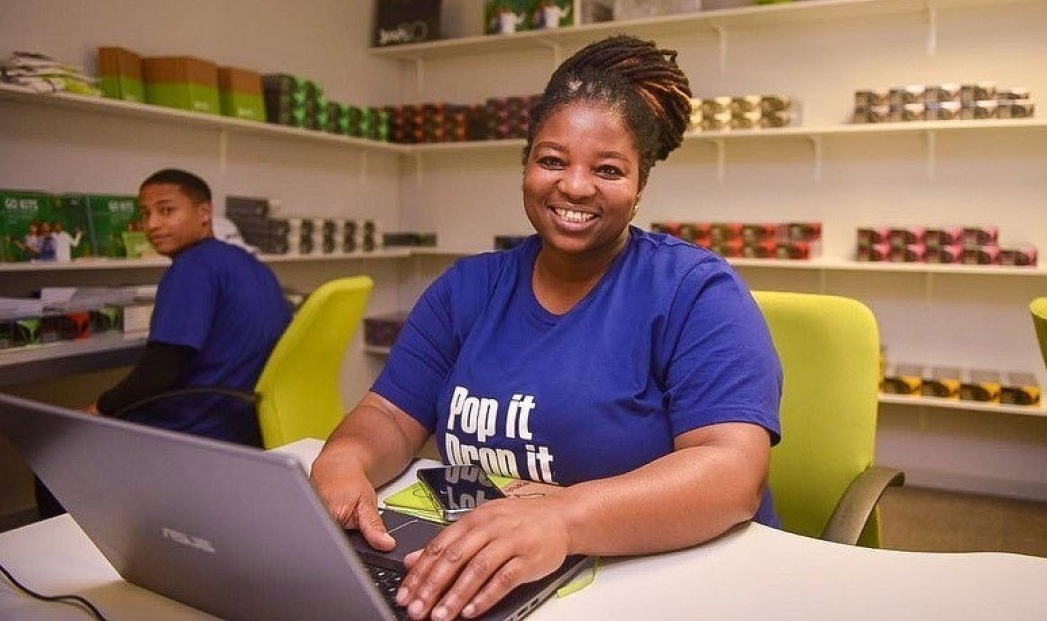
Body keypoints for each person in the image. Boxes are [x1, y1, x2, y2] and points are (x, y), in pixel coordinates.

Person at [311, 35, 784, 621]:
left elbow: (732, 471)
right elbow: (388, 413)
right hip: (499, 574)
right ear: (526, 166)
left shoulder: (695, 291)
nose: (575, 186)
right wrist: (344, 460)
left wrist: (561, 520)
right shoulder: (467, 289)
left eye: (608, 169)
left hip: (667, 581)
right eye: (553, 160)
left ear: (640, 186)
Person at [86, 169, 292, 445]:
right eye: (145, 214)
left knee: (64, 443)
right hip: (246, 423)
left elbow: (159, 371)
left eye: (166, 210)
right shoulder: (249, 263)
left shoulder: (192, 268)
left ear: (204, 212)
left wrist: (99, 408)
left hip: (195, 425)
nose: (152, 224)